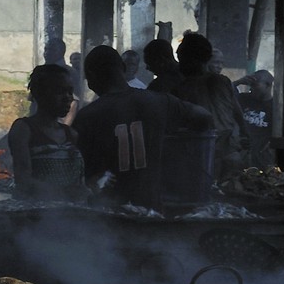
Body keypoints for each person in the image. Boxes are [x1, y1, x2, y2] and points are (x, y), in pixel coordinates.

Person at [73, 45, 213, 212]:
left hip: (107, 214)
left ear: (90, 76)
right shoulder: (160, 102)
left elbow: (79, 175)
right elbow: (204, 117)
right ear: (123, 68)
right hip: (151, 210)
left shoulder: (87, 116)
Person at [172, 32, 252, 181]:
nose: (179, 62)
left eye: (181, 57)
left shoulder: (181, 89)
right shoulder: (223, 81)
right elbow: (237, 112)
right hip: (229, 155)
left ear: (192, 58)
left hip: (203, 158)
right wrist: (245, 133)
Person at [5, 63, 85, 201]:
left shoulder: (71, 134)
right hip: (36, 218)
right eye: (60, 91)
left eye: (70, 92)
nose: (68, 98)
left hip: (70, 218)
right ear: (40, 94)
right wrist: (64, 193)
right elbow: (23, 181)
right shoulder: (24, 129)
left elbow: (78, 182)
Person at [238, 69, 276, 170]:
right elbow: (223, 93)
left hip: (262, 158)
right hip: (240, 154)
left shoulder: (276, 108)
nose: (252, 89)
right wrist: (238, 82)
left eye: (256, 85)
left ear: (268, 86)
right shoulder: (244, 99)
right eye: (251, 85)